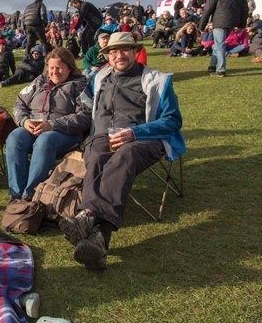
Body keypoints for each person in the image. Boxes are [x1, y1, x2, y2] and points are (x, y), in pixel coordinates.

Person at [59, 32, 185, 270]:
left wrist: (134, 133)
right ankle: (98, 241)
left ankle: (88, 216)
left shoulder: (156, 81)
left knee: (124, 156)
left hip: (144, 138)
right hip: (103, 136)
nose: (119, 55)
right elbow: (83, 106)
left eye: (125, 49)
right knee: (94, 157)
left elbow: (173, 121)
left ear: (135, 51)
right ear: (106, 55)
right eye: (114, 52)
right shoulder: (100, 78)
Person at [5, 48, 86, 201]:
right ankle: (16, 193)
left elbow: (85, 116)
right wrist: (24, 120)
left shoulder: (79, 86)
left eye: (59, 68)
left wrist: (52, 125)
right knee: (15, 137)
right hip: (33, 127)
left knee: (45, 140)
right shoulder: (40, 81)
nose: (54, 72)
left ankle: (32, 194)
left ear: (70, 68)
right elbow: (19, 103)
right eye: (51, 67)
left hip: (64, 133)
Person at [199, 0, 249, 78]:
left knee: (220, 44)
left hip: (219, 21)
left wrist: (202, 26)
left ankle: (221, 69)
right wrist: (242, 24)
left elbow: (207, 9)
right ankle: (212, 65)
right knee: (218, 44)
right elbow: (245, 9)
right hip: (233, 22)